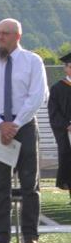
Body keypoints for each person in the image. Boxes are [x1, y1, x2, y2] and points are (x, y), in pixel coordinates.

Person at [0, 18, 46, 243]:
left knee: (29, 184)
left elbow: (37, 96)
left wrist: (14, 124)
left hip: (24, 127)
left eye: (4, 33)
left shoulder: (33, 61)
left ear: (17, 36)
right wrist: (0, 123)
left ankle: (30, 237)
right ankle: (1, 237)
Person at [49, 52, 71, 198]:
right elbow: (53, 112)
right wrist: (66, 125)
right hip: (66, 132)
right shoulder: (57, 88)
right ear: (66, 68)